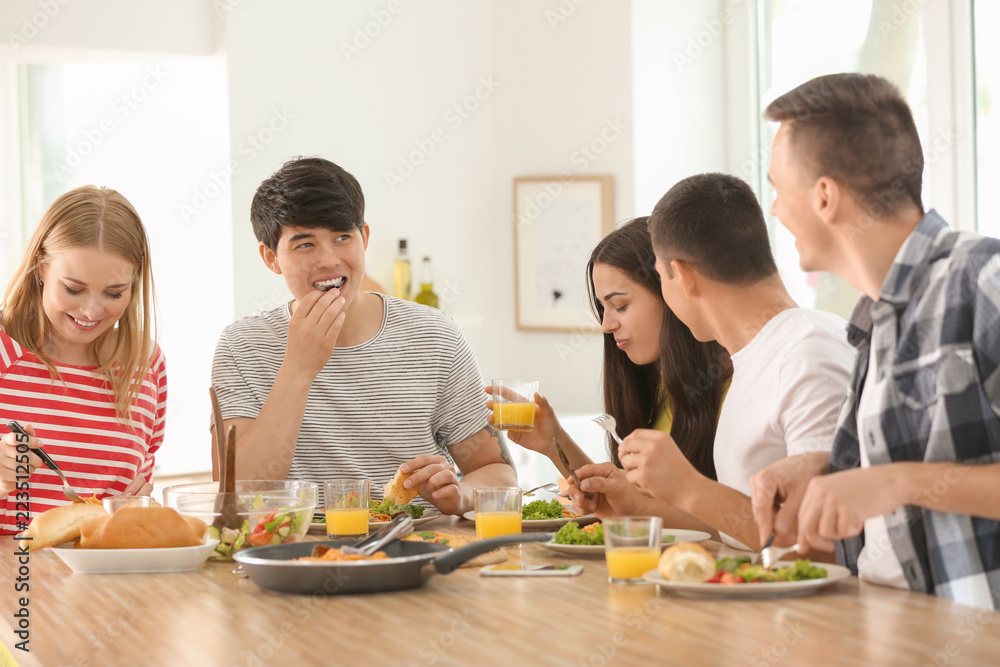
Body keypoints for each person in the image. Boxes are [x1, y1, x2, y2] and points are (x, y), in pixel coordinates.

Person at [751, 73, 1000, 609]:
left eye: (777, 187)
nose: (774, 210)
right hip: (888, 633)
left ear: (824, 197)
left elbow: (903, 481)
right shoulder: (873, 318)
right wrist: (826, 469)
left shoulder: (982, 278)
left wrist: (896, 482)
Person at [210, 157, 515, 515]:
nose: (328, 260)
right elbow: (237, 493)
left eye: (343, 237)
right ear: (271, 257)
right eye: (305, 244)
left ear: (364, 238)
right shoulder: (241, 346)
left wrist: (460, 495)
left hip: (417, 550)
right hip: (295, 555)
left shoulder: (435, 337)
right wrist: (298, 369)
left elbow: (497, 473)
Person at [614, 173, 855, 551]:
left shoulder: (808, 355)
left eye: (661, 277)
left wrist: (688, 488)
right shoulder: (758, 354)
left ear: (682, 276)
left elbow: (827, 547)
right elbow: (742, 528)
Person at [491, 218, 731, 528]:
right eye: (602, 308)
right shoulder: (661, 388)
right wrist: (554, 443)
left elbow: (736, 531)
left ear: (672, 293)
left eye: (620, 305)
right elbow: (625, 502)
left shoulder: (733, 393)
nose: (606, 325)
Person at [0, 186, 165, 534]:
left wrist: (136, 511)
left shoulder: (146, 364)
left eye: (114, 293)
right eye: (73, 289)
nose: (91, 311)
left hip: (105, 582)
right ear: (41, 268)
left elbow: (136, 488)